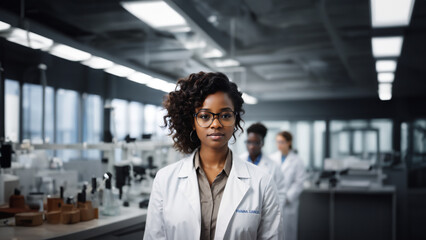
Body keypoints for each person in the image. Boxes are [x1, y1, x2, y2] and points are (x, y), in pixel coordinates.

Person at [144, 72, 282, 240]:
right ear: (192, 122)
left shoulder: (262, 182)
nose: (216, 124)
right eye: (204, 116)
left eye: (225, 115)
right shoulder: (165, 179)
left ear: (235, 120)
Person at [269, 131, 306, 240]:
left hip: (289, 203)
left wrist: (287, 198)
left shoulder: (297, 160)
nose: (279, 145)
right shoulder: (272, 158)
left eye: (282, 142)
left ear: (289, 142)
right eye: (277, 142)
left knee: (288, 233)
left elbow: (299, 182)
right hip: (274, 201)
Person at [239, 123, 286, 207]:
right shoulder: (238, 162)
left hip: (265, 210)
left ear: (263, 143)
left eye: (256, 143)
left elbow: (281, 193)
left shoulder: (274, 166)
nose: (252, 146)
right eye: (249, 142)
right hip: (243, 209)